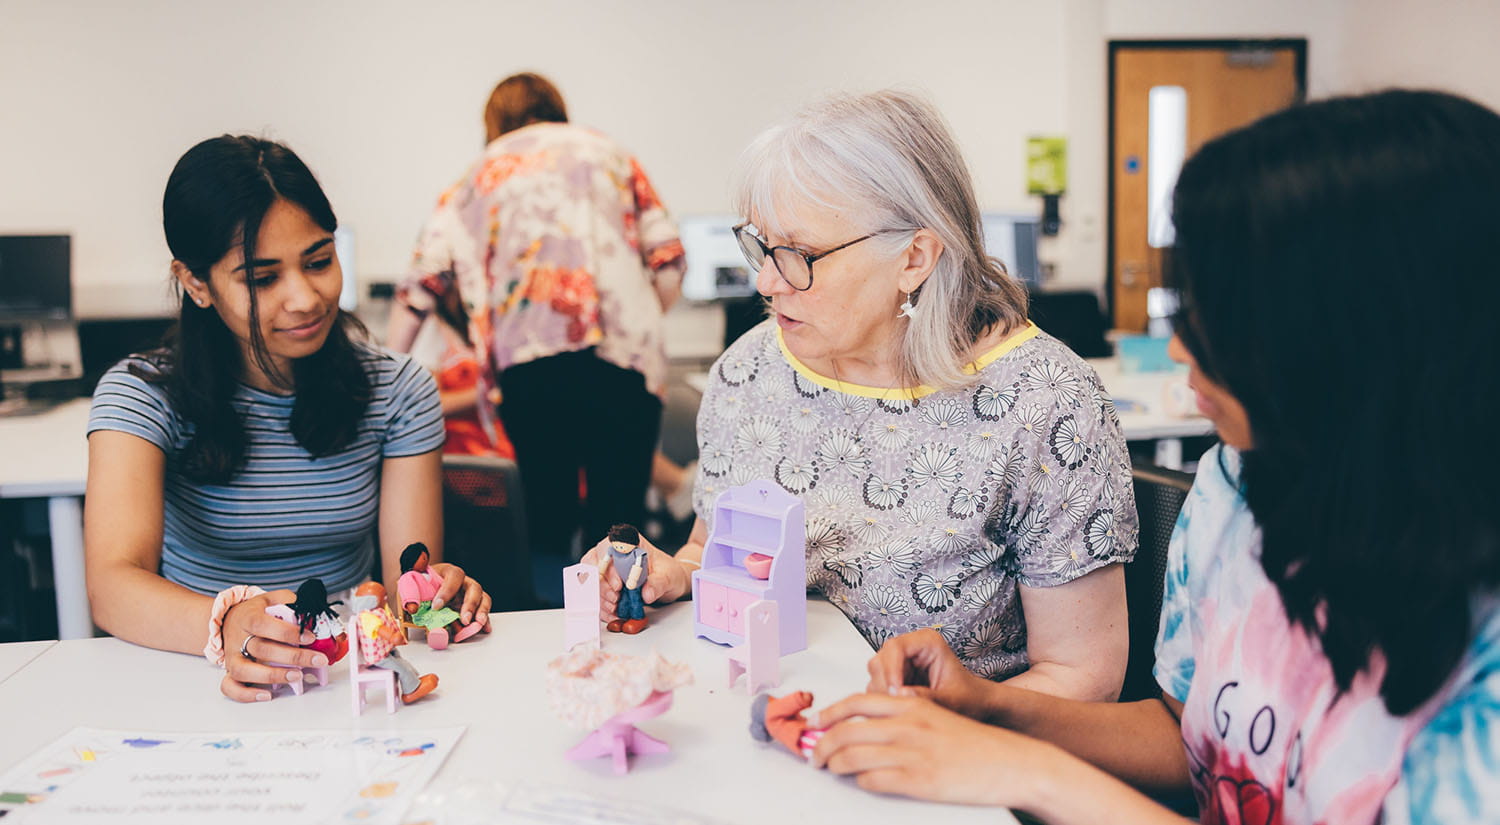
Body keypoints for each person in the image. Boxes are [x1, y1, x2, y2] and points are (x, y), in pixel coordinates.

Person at [806, 90, 1500, 824]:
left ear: (1352, 340)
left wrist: (1031, 772)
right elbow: (1187, 742)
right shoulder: (1239, 485)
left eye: (1220, 318)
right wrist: (989, 706)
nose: (1178, 347)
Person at [585, 90, 1137, 700]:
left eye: (797, 255)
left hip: (948, 766)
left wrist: (934, 733)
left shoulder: (1045, 403)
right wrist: (678, 572)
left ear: (914, 258)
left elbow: (1083, 679)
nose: (767, 282)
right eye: (761, 247)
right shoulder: (750, 370)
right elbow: (711, 546)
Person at [84, 135, 493, 703]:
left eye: (320, 261)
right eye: (262, 278)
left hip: (339, 678)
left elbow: (408, 590)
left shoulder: (398, 390)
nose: (305, 298)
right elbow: (112, 585)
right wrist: (224, 626)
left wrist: (437, 595)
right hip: (193, 677)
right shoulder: (142, 394)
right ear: (196, 283)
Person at [387, 71, 685, 570]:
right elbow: (670, 259)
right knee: (620, 521)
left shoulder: (476, 175)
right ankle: (623, 629)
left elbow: (421, 285)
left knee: (548, 515)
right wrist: (641, 316)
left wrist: (388, 374)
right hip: (625, 360)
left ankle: (553, 629)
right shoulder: (609, 152)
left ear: (494, 122)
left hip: (530, 365)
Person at [351, 581, 438, 704]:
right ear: (372, 600)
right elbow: (382, 630)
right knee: (402, 668)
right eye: (384, 597)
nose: (386, 599)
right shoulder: (368, 618)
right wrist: (393, 637)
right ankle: (410, 692)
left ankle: (414, 682)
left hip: (386, 651)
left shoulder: (378, 610)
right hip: (379, 657)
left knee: (404, 662)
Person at [398, 541, 483, 647]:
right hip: (421, 610)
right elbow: (409, 589)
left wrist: (449, 592)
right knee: (434, 618)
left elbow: (439, 582)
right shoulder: (408, 577)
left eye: (426, 557)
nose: (425, 561)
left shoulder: (429, 571)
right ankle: (438, 635)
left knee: (448, 612)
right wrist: (412, 602)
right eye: (422, 558)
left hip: (434, 605)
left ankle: (459, 630)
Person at [595, 524, 648, 634]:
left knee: (634, 600)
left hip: (635, 583)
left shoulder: (637, 553)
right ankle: (623, 618)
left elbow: (638, 566)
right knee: (623, 601)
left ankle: (638, 618)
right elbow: (605, 561)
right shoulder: (612, 550)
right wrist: (599, 573)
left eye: (622, 546)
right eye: (617, 546)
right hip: (623, 581)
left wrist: (633, 579)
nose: (619, 549)